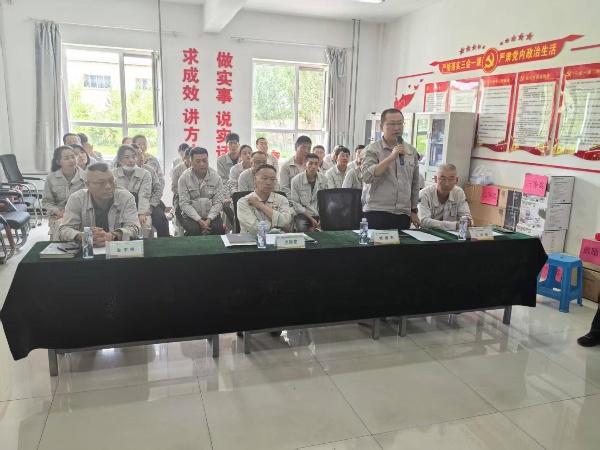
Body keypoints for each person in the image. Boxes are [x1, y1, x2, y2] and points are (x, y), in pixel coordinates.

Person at [361, 108, 420, 230]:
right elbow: (367, 177)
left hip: (403, 213)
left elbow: (414, 183)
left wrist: (413, 210)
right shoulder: (372, 150)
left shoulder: (411, 150)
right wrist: (391, 157)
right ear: (382, 127)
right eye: (392, 124)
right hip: (377, 211)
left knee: (400, 243)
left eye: (400, 124)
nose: (396, 128)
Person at [58, 163, 140, 245]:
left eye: (111, 181)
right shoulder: (77, 199)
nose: (108, 186)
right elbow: (64, 229)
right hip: (87, 248)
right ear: (88, 185)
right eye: (101, 183)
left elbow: (134, 228)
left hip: (116, 248)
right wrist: (83, 236)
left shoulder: (126, 197)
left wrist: (112, 236)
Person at [178, 147, 225, 235]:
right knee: (193, 229)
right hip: (191, 216)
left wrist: (209, 219)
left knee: (217, 228)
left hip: (211, 214)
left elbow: (218, 202)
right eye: (198, 161)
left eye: (204, 161)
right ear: (191, 162)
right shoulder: (184, 178)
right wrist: (198, 220)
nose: (202, 164)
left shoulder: (216, 177)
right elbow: (184, 203)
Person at [42, 146, 86, 240]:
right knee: (61, 226)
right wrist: (59, 212)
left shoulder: (86, 177)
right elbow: (47, 202)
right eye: (66, 158)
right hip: (59, 216)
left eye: (73, 157)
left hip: (81, 215)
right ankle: (60, 249)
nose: (72, 160)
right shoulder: (51, 178)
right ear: (58, 162)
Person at [237, 164, 293, 234]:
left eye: (272, 179)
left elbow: (285, 222)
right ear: (255, 179)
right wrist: (279, 225)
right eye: (264, 178)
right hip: (252, 239)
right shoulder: (243, 202)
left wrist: (261, 206)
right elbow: (256, 230)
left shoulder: (282, 199)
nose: (269, 183)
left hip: (278, 239)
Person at [132, 135, 169, 237]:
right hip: (132, 204)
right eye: (139, 144)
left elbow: (158, 187)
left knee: (161, 219)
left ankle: (165, 243)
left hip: (151, 201)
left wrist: (152, 205)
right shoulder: (123, 170)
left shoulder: (150, 168)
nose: (142, 147)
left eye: (144, 144)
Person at [113, 145, 153, 238]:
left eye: (133, 157)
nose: (131, 160)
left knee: (144, 225)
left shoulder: (145, 174)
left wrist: (141, 213)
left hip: (137, 209)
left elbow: (144, 195)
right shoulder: (113, 174)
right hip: (118, 210)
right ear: (119, 160)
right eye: (126, 157)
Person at [418, 163, 472, 231]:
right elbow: (423, 221)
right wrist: (455, 225)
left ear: (456, 180)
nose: (447, 184)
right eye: (443, 179)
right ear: (435, 179)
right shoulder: (424, 194)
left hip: (450, 233)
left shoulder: (459, 193)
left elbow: (466, 217)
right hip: (425, 233)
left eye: (451, 179)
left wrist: (468, 222)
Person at [290, 153, 328, 231]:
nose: (313, 167)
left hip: (320, 213)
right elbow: (296, 204)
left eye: (316, 164)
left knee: (329, 228)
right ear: (305, 165)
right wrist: (311, 218)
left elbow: (326, 201)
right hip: (304, 214)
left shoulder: (324, 179)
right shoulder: (296, 180)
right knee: (301, 227)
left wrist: (322, 218)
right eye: (310, 163)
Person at [217, 133, 241, 227]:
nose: (233, 146)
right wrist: (229, 197)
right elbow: (223, 181)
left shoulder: (243, 158)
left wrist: (238, 195)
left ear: (239, 144)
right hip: (227, 193)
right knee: (226, 206)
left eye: (235, 143)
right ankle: (230, 228)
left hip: (241, 191)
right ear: (226, 145)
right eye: (230, 143)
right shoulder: (221, 160)